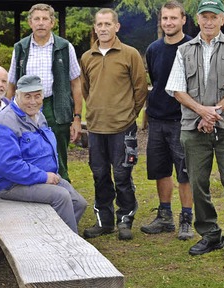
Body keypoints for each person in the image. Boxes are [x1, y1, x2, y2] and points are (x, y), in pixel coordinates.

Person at [165, 0, 224, 264]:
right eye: (204, 17)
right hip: (193, 125)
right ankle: (210, 233)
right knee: (197, 182)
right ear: (197, 20)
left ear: (222, 20)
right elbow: (177, 89)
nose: (209, 22)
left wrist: (214, 112)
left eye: (214, 17)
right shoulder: (184, 50)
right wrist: (202, 112)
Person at [80, 8, 148, 241]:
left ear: (116, 27)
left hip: (122, 127)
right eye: (99, 24)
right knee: (99, 175)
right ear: (95, 28)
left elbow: (140, 89)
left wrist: (130, 115)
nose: (103, 28)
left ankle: (125, 219)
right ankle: (105, 221)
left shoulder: (130, 54)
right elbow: (86, 90)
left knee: (122, 175)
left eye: (108, 24)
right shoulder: (87, 57)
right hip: (96, 127)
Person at [0, 74, 87, 233]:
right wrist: (44, 177)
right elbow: (8, 166)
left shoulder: (38, 115)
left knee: (79, 203)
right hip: (13, 184)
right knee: (61, 196)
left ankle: (53, 236)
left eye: (37, 96)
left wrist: (47, 175)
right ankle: (67, 246)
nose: (33, 101)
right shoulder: (4, 123)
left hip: (40, 177)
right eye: (27, 96)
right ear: (16, 95)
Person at [7, 3, 83, 182]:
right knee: (29, 154)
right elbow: (11, 82)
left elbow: (76, 83)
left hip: (55, 108)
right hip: (26, 109)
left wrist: (77, 117)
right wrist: (9, 112)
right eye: (37, 19)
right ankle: (36, 199)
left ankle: (65, 197)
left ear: (52, 23)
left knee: (58, 157)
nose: (41, 23)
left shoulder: (64, 47)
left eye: (45, 19)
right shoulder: (20, 48)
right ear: (30, 23)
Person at [140, 1, 194, 241]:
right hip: (158, 119)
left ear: (183, 20)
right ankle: (164, 217)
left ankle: (186, 219)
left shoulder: (192, 47)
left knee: (185, 172)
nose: (169, 23)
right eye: (165, 19)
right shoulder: (153, 49)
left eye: (174, 18)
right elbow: (156, 80)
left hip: (184, 120)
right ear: (160, 21)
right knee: (160, 170)